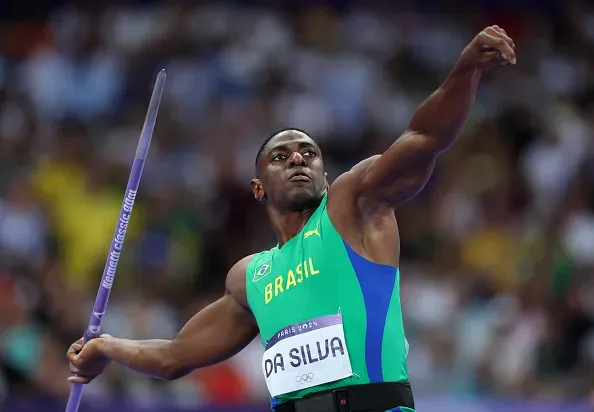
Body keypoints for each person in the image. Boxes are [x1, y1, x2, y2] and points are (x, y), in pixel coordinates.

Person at [67, 26, 516, 412]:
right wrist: (108, 347)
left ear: (324, 173)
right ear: (258, 188)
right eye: (280, 156)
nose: (298, 157)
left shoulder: (351, 207)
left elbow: (424, 138)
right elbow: (174, 356)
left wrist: (464, 72)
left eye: (309, 153)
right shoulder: (252, 277)